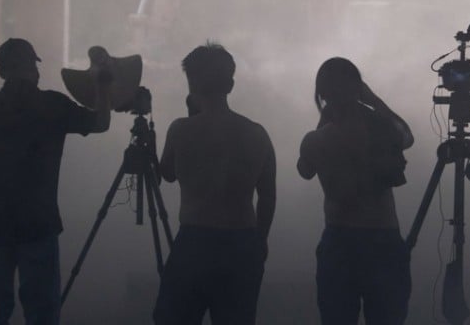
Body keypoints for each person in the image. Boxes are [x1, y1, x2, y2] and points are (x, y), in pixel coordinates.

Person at [0, 38, 111, 325]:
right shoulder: (53, 106)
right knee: (42, 313)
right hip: (39, 226)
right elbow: (100, 123)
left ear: (1, 73)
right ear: (34, 69)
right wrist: (102, 84)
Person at [153, 42, 277, 325]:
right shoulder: (256, 134)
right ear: (230, 84)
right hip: (242, 241)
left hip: (195, 240)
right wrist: (260, 240)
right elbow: (268, 196)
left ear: (192, 84)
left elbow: (168, 173)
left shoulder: (181, 130)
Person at [297, 57, 415, 325]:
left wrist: (324, 119)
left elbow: (305, 169)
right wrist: (374, 100)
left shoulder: (317, 139)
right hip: (382, 237)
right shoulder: (381, 132)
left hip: (340, 239)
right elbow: (407, 136)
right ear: (357, 88)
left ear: (323, 94)